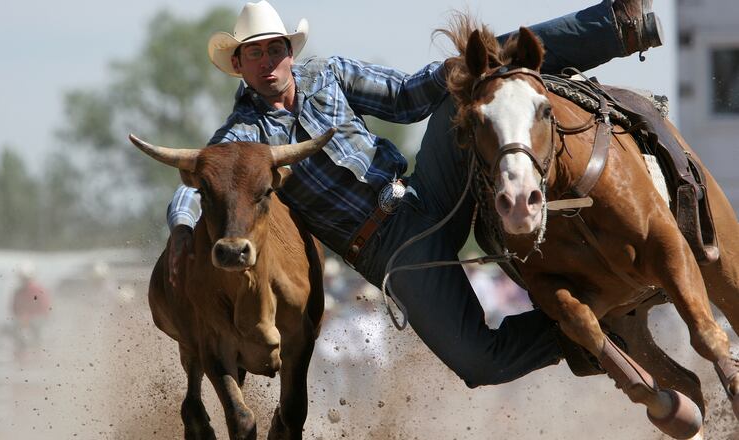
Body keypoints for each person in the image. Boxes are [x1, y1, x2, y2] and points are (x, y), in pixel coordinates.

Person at [165, 0, 663, 387]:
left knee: (469, 78)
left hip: (422, 195)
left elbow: (405, 97)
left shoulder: (328, 74)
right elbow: (204, 186)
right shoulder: (241, 139)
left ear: (289, 53)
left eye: (275, 48)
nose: (268, 60)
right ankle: (586, 324)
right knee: (478, 362)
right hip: (391, 253)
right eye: (254, 52)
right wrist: (184, 229)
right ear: (238, 63)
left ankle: (615, 25)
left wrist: (457, 68)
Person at [11, 261, 52, 351]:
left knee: (37, 343)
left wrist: (27, 318)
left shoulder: (37, 290)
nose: (24, 280)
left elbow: (45, 308)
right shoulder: (19, 292)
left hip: (36, 323)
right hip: (24, 323)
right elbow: (14, 309)